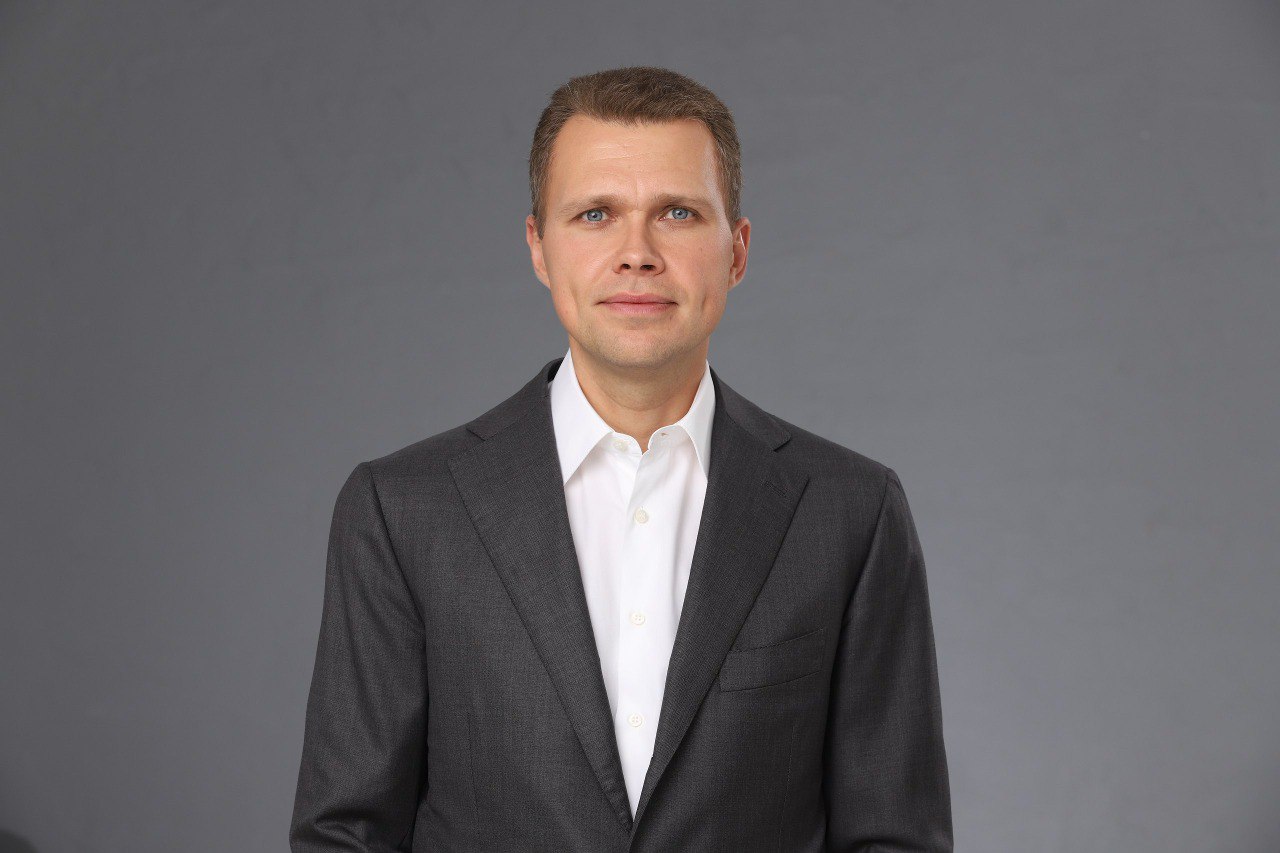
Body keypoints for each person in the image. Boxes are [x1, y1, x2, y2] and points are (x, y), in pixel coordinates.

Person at [290, 65, 952, 852]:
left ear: (737, 251)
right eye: (596, 213)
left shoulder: (850, 512)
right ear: (539, 247)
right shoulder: (403, 512)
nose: (637, 252)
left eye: (677, 212)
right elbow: (345, 834)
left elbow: (895, 837)